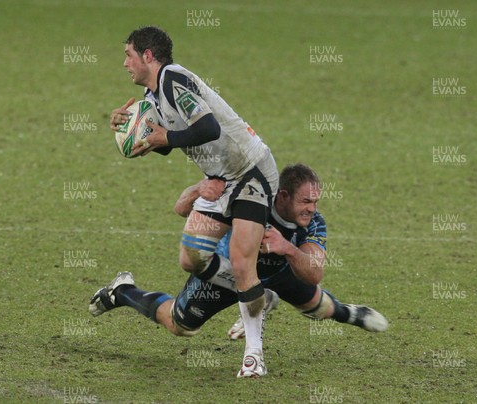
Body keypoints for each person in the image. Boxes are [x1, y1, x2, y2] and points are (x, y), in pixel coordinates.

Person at [98, 25, 279, 377]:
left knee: (242, 262)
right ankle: (260, 295)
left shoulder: (173, 80)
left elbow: (208, 128)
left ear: (148, 56)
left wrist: (165, 135)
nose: (125, 64)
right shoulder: (153, 98)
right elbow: (165, 145)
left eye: (128, 55)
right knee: (191, 258)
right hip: (218, 179)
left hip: (250, 171)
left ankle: (254, 356)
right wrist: (130, 133)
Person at [89, 164, 388, 376]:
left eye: (315, 202)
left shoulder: (314, 223)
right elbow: (180, 209)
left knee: (316, 305)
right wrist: (198, 188)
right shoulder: (252, 201)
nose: (311, 208)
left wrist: (286, 247)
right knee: (181, 325)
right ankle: (123, 291)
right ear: (282, 196)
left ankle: (351, 313)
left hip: (277, 272)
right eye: (305, 201)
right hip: (224, 272)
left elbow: (313, 273)